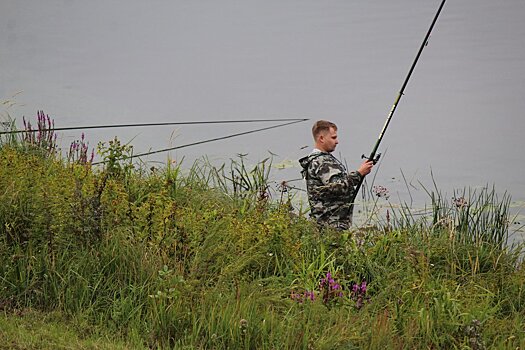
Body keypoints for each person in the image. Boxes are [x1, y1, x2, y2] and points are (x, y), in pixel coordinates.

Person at [299, 120, 374, 230]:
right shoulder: (323, 162)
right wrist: (359, 173)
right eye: (333, 138)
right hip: (331, 225)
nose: (337, 141)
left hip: (324, 223)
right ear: (321, 138)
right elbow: (337, 186)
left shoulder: (316, 160)